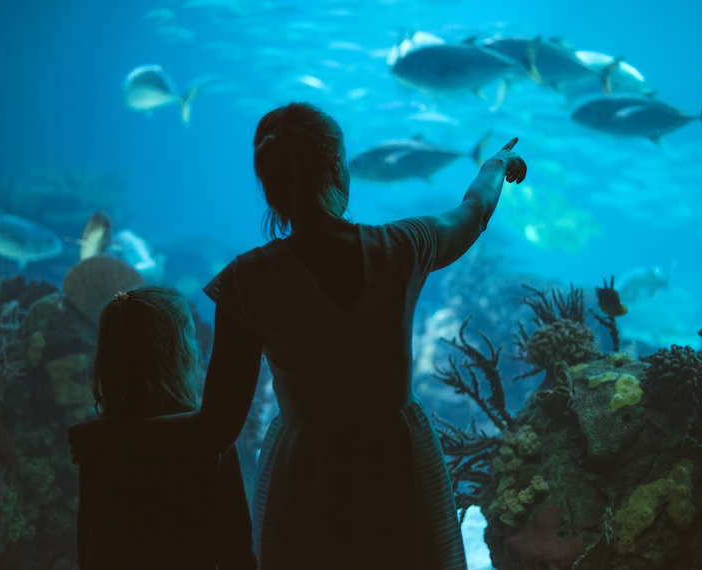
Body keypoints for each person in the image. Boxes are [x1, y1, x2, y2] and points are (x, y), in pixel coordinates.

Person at [75, 102, 526, 569]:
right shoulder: (403, 247)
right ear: (338, 170)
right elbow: (472, 212)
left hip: (310, 478)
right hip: (397, 466)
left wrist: (113, 435)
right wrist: (495, 165)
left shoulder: (247, 281)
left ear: (270, 191)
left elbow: (215, 429)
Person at [67, 285, 258, 570]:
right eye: (191, 336)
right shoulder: (208, 439)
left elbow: (91, 542)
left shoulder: (95, 440)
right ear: (177, 351)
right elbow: (237, 548)